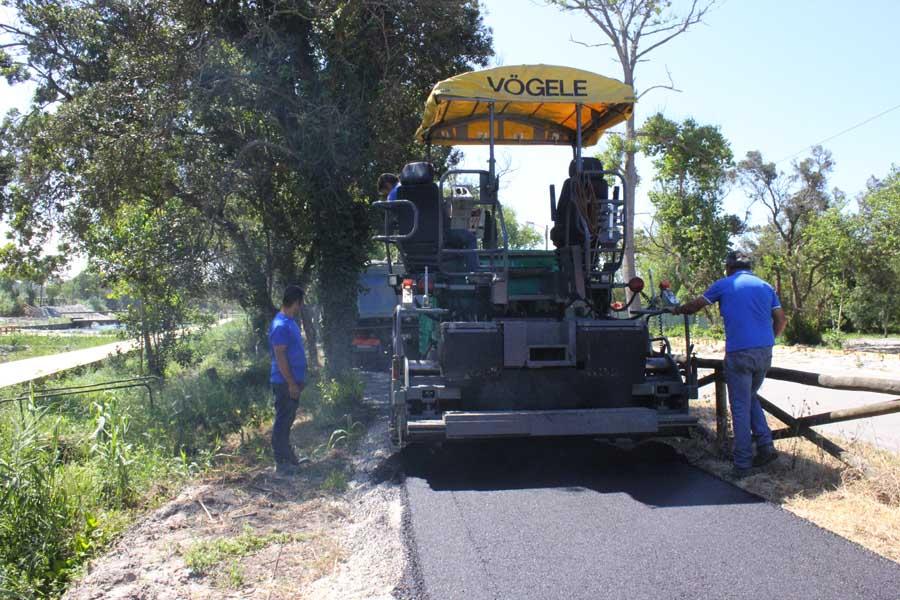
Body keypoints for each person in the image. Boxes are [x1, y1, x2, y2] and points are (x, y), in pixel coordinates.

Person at [674, 251, 788, 478]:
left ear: (729, 268)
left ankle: (742, 464)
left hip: (739, 353)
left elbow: (695, 306)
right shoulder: (765, 287)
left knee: (739, 407)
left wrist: (677, 309)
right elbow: (781, 320)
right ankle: (765, 446)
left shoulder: (725, 285)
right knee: (750, 396)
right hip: (764, 352)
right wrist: (769, 340)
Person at [269, 285, 308, 476]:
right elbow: (280, 356)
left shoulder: (289, 321)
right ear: (296, 302)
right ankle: (282, 463)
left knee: (288, 420)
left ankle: (289, 457)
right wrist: (292, 383)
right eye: (301, 303)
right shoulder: (280, 325)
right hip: (284, 382)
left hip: (292, 382)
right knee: (283, 421)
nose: (301, 307)